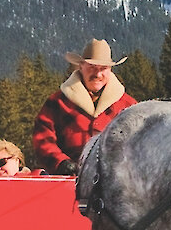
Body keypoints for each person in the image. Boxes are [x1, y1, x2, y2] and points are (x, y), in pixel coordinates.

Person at [32, 38, 137, 175]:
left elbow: (141, 144)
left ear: (110, 69)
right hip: (68, 183)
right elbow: (42, 138)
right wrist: (61, 163)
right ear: (81, 66)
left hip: (115, 185)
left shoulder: (128, 105)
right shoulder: (57, 102)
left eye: (103, 68)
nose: (98, 74)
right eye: (92, 67)